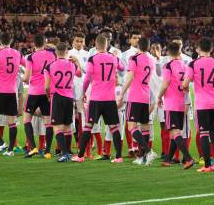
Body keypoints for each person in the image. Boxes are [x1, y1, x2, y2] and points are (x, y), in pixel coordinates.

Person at [73, 36, 125, 163]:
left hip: (96, 98)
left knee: (88, 127)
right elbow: (122, 68)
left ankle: (80, 156)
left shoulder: (92, 59)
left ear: (96, 45)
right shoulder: (114, 58)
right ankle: (118, 157)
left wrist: (83, 92)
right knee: (114, 128)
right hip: (110, 99)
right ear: (107, 45)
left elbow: (87, 78)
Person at [182, 38, 214, 172]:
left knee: (203, 132)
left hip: (202, 103)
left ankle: (207, 165)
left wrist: (184, 87)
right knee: (213, 130)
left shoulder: (193, 64)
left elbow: (185, 83)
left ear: (198, 49)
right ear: (211, 49)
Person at [117, 37, 159, 165]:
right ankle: (143, 157)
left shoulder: (134, 58)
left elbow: (129, 78)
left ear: (138, 46)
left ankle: (148, 151)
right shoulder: (151, 60)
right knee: (145, 126)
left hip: (135, 96)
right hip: (145, 96)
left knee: (132, 126)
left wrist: (122, 94)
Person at [0, 33, 26, 157]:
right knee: (12, 122)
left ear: (0, 43)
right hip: (11, 92)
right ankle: (9, 150)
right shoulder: (18, 54)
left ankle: (2, 143)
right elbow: (27, 65)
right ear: (11, 41)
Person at [156, 42, 195, 169]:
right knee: (175, 132)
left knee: (175, 131)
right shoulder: (185, 65)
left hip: (171, 103)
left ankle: (188, 158)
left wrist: (159, 96)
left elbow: (166, 83)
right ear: (180, 52)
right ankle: (168, 159)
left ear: (167, 53)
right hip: (182, 102)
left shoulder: (168, 66)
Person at [45, 42, 82, 162]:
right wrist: (77, 62)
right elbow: (80, 74)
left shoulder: (50, 66)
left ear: (56, 52)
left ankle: (65, 153)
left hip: (57, 97)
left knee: (56, 127)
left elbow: (46, 87)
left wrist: (48, 96)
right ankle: (67, 152)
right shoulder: (72, 65)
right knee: (67, 127)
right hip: (69, 98)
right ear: (66, 52)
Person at [22, 34, 56, 158]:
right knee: (48, 122)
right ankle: (47, 151)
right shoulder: (52, 55)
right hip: (47, 92)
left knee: (26, 119)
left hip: (34, 92)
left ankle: (33, 147)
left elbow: (26, 77)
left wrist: (23, 79)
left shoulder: (31, 57)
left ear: (33, 44)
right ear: (45, 42)